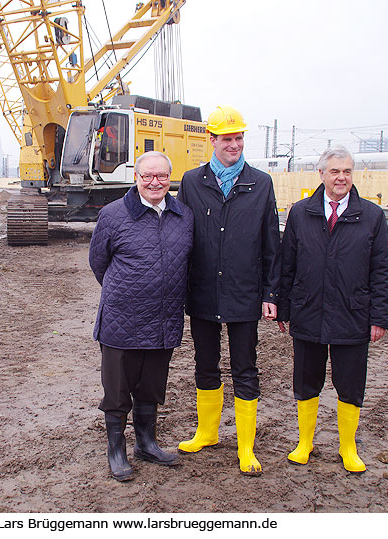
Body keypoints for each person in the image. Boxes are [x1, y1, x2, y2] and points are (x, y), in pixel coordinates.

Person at [276, 145, 388, 473]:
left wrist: (380, 317)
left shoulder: (372, 216)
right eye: (335, 171)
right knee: (306, 381)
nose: (341, 177)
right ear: (321, 174)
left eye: (347, 171)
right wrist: (284, 308)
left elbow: (383, 270)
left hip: (353, 314)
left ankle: (348, 447)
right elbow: (287, 265)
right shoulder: (301, 213)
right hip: (308, 312)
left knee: (351, 383)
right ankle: (305, 442)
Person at [176, 106, 281, 476]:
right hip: (203, 290)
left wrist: (270, 294)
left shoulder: (261, 183)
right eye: (227, 139)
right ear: (212, 140)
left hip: (244, 291)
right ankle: (207, 433)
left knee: (245, 367)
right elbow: (180, 237)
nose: (234, 144)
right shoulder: (192, 182)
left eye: (239, 138)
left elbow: (271, 243)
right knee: (205, 364)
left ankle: (246, 447)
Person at [89, 150, 194, 481]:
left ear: (170, 179)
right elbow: (98, 263)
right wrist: (127, 291)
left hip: (163, 319)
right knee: (117, 391)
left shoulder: (183, 215)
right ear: (136, 177)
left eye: (161, 176)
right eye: (147, 175)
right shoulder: (113, 215)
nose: (154, 182)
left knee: (151, 387)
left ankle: (147, 443)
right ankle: (116, 450)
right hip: (122, 321)